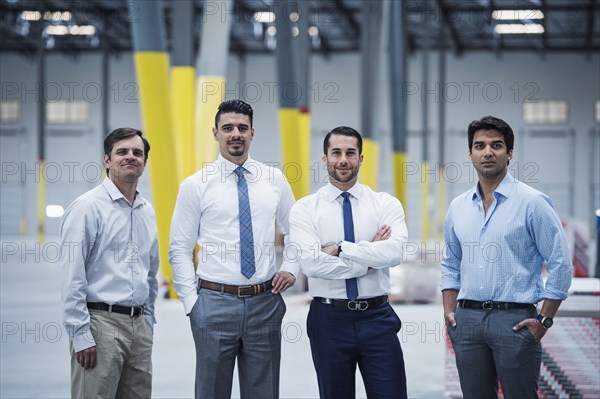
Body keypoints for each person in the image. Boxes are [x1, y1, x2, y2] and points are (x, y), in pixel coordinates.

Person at [169, 99, 297, 399]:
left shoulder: (274, 180)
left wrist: (291, 267)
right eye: (228, 128)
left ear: (252, 132)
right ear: (215, 133)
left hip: (264, 302)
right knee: (212, 392)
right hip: (214, 303)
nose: (235, 134)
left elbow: (297, 231)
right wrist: (192, 304)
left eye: (242, 128)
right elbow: (179, 248)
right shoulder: (195, 185)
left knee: (263, 393)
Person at [440, 115, 573, 399]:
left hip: (514, 321)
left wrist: (545, 320)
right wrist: (450, 314)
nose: (487, 152)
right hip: (468, 321)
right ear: (470, 154)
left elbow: (561, 263)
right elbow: (450, 262)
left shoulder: (533, 203)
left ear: (509, 153)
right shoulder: (458, 207)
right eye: (480, 146)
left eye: (496, 145)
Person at [289, 126, 408, 399]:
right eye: (336, 153)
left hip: (377, 317)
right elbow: (311, 265)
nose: (343, 159)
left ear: (361, 159)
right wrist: (368, 258)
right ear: (324, 158)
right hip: (329, 319)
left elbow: (395, 252)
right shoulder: (305, 209)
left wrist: (341, 248)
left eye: (350, 153)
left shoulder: (384, 204)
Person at [61, 127, 159, 398]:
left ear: (144, 163)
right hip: (99, 325)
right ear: (107, 160)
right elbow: (72, 275)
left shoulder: (146, 210)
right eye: (122, 152)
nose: (131, 157)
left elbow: (150, 272)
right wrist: (80, 333)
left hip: (138, 327)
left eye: (137, 153)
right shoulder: (87, 207)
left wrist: (148, 320)